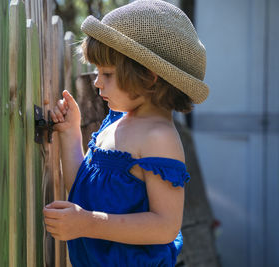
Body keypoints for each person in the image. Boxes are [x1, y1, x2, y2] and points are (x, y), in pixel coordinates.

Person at [43, 0, 209, 266]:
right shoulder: (114, 123)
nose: (96, 82)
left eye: (107, 73)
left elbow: (165, 226)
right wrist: (69, 132)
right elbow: (83, 188)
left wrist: (87, 223)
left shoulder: (159, 137)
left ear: (148, 76)